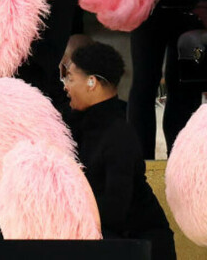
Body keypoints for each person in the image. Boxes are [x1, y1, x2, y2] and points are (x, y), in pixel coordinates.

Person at [63, 42, 176, 260]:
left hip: (143, 246)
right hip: (112, 239)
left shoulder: (119, 136)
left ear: (91, 82)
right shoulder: (76, 122)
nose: (66, 85)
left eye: (70, 78)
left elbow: (115, 211)